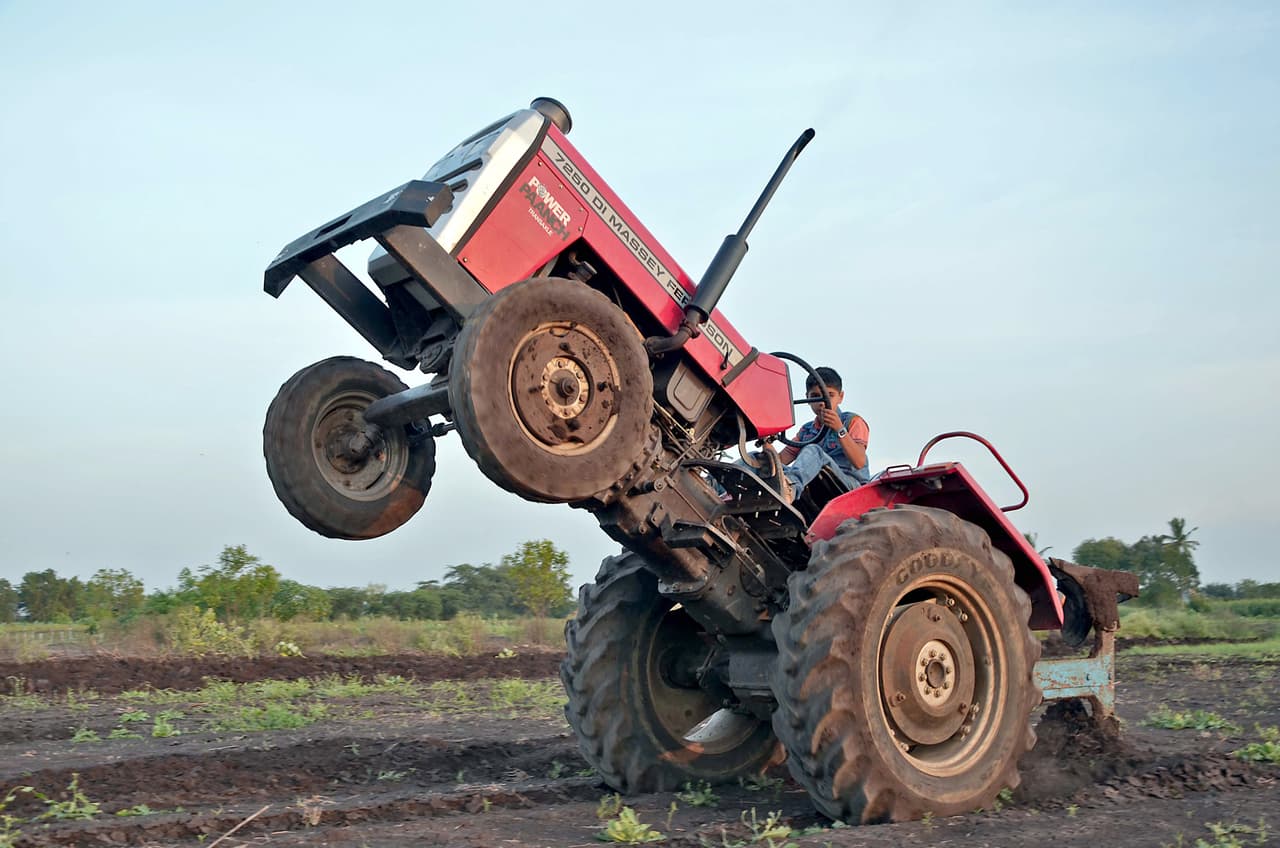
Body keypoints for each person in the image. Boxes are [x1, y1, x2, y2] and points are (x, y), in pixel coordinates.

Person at [773, 366, 870, 501]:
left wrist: (839, 429)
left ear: (840, 397)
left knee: (813, 450)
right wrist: (767, 446)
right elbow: (781, 460)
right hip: (815, 483)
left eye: (829, 395)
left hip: (850, 487)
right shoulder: (807, 430)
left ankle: (789, 489)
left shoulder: (852, 422)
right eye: (815, 396)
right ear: (807, 398)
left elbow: (859, 462)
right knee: (760, 458)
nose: (822, 403)